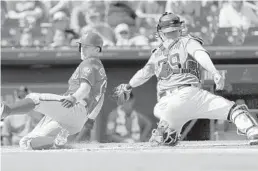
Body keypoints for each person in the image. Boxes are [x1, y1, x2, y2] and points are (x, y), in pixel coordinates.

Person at [113, 12, 258, 146]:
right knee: (233, 109)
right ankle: (252, 130)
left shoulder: (157, 52)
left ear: (160, 32)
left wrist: (128, 86)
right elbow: (200, 54)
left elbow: (143, 74)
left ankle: (168, 129)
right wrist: (214, 72)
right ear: (180, 28)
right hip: (189, 94)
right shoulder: (185, 41)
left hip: (164, 106)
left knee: (169, 137)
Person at [1, 31, 107, 150]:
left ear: (97, 50)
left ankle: (6, 110)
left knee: (35, 98)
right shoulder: (100, 69)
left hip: (72, 107)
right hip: (77, 121)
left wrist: (74, 98)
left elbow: (85, 88)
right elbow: (101, 98)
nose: (82, 49)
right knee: (26, 143)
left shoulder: (89, 63)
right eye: (81, 46)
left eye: (86, 47)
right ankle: (57, 142)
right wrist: (91, 119)